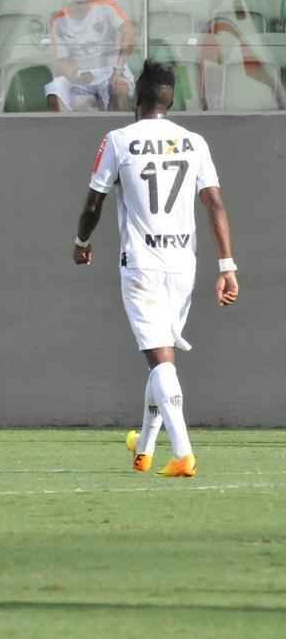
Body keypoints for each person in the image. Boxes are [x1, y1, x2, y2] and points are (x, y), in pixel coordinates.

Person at [72, 60, 239, 478]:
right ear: (170, 100)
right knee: (161, 357)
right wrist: (227, 266)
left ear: (138, 97)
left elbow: (94, 203)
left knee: (161, 359)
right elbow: (215, 204)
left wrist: (82, 242)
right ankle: (144, 449)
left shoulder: (118, 140)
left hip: (142, 263)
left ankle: (182, 452)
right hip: (183, 263)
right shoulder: (194, 142)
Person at [45, 0, 138, 112]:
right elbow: (62, 61)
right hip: (80, 74)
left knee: (120, 87)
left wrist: (118, 69)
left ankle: (117, 124)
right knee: (54, 88)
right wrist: (76, 76)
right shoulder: (58, 20)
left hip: (111, 70)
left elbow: (129, 32)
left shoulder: (107, 6)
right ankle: (62, 126)